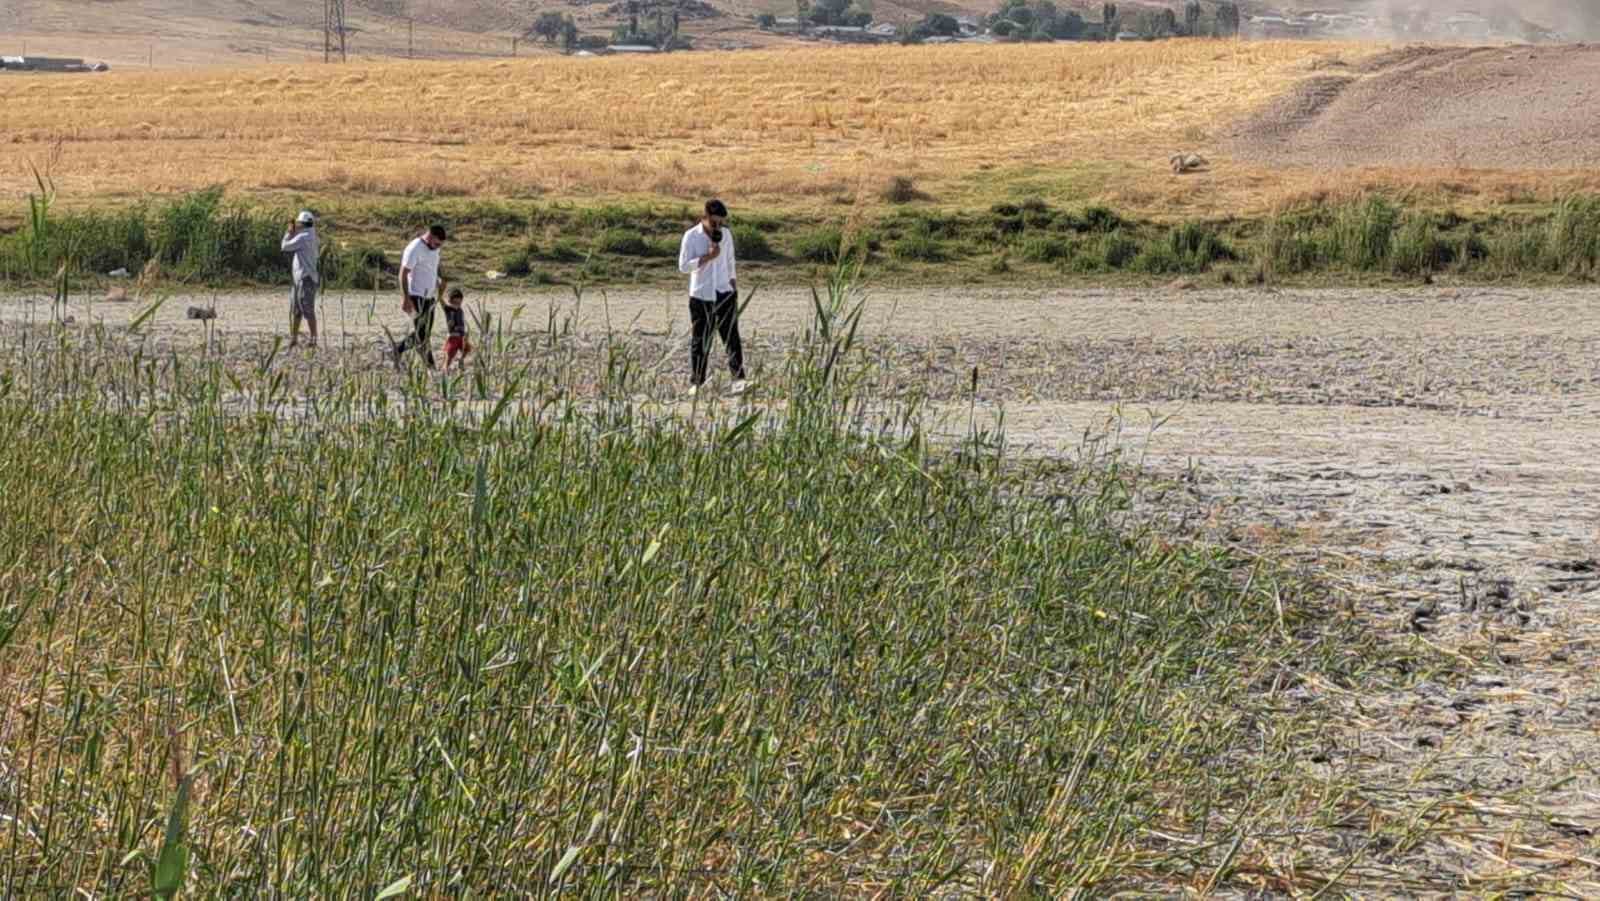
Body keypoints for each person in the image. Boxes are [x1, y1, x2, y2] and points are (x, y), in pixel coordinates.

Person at [677, 199, 748, 397]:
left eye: (721, 222)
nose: (719, 226)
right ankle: (697, 383)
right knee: (701, 339)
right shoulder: (691, 236)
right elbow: (683, 266)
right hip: (701, 294)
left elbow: (730, 261)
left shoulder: (726, 235)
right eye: (715, 222)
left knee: (731, 337)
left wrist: (733, 287)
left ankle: (739, 380)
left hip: (725, 292)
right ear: (705, 217)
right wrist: (706, 257)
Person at [392, 224, 449, 369]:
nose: (437, 247)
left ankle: (397, 350)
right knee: (423, 336)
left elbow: (434, 264)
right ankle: (430, 367)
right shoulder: (415, 248)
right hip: (416, 296)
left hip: (430, 297)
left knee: (423, 334)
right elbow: (403, 274)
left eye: (440, 245)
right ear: (430, 236)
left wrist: (442, 279)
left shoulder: (434, 248)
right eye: (436, 244)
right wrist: (406, 298)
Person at [281, 210, 319, 348]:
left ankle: (312, 339)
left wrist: (289, 232)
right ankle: (295, 338)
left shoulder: (303, 237)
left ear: (303, 224)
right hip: (301, 278)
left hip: (305, 278)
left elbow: (285, 246)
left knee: (306, 309)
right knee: (297, 310)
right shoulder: (311, 235)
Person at [443, 287, 471, 369]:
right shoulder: (448, 309)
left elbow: (461, 322)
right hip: (453, 336)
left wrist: (465, 333)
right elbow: (442, 303)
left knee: (466, 349)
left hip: (461, 335)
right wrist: (440, 292)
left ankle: (461, 360)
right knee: (450, 353)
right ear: (450, 301)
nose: (457, 305)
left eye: (459, 303)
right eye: (454, 303)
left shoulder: (460, 310)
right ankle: (446, 367)